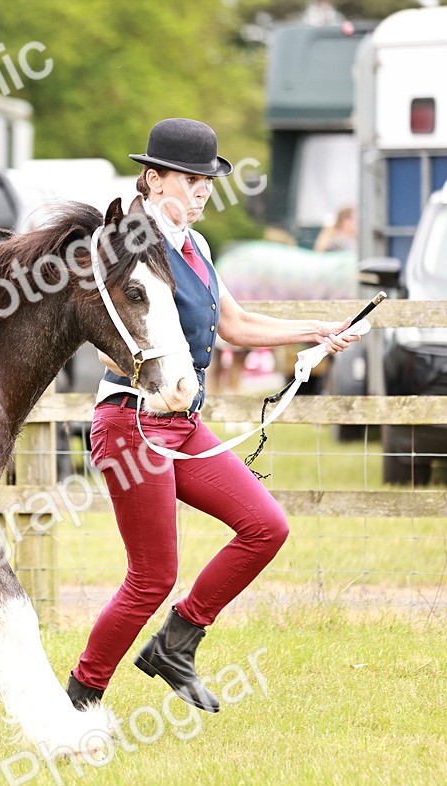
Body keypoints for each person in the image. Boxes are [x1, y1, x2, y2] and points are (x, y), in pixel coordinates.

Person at [66, 118, 360, 713]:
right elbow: (106, 334)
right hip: (133, 422)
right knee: (151, 576)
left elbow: (236, 325)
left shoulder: (196, 246)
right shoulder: (126, 246)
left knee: (266, 527)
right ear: (153, 180)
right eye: (192, 179)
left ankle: (177, 643)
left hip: (184, 424)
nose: (203, 190)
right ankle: (80, 696)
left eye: (208, 180)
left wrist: (318, 331)